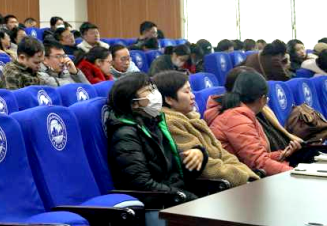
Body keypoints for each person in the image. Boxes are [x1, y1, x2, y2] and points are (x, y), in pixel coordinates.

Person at [106, 73, 204, 203]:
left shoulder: (154, 123)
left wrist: (199, 153)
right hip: (157, 205)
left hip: (175, 196)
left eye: (154, 88)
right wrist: (188, 197)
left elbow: (175, 171)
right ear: (134, 104)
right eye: (148, 90)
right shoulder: (125, 135)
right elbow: (143, 185)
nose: (156, 94)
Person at [155, 71, 258, 187]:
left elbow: (222, 153)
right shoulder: (171, 123)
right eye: (186, 92)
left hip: (231, 179)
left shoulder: (193, 118)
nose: (193, 96)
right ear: (169, 99)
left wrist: (248, 175)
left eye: (191, 91)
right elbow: (204, 166)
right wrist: (242, 178)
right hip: (212, 187)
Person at [209, 71, 297, 175]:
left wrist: (281, 155)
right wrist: (296, 173)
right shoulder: (237, 119)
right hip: (239, 179)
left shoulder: (242, 115)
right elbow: (258, 163)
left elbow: (254, 157)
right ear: (262, 99)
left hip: (244, 172)